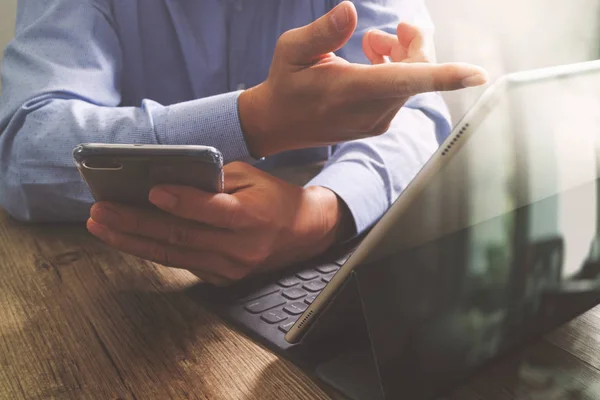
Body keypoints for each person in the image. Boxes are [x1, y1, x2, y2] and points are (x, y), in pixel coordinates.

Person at [0, 0, 486, 285]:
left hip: (313, 277)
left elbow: (417, 110)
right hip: (109, 283)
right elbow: (26, 147)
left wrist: (325, 211)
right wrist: (254, 121)